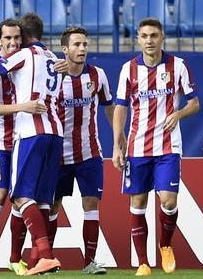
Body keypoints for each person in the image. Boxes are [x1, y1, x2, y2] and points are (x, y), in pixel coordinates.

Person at [0, 12, 66, 275]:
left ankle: (34, 257)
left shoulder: (25, 56)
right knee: (21, 197)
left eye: (17, 37)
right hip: (18, 136)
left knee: (22, 197)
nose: (13, 42)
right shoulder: (53, 59)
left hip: (28, 134)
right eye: (8, 38)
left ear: (23, 37)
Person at [112, 18, 200, 276]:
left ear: (162, 37)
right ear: (138, 39)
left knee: (169, 200)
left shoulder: (179, 66)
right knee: (138, 201)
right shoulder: (128, 69)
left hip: (168, 147)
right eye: (144, 36)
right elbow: (120, 108)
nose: (149, 40)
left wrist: (179, 114)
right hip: (138, 147)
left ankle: (165, 245)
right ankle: (142, 261)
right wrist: (118, 144)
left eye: (153, 35)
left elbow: (195, 103)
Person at [48, 26, 123, 275]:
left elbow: (109, 107)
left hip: (89, 152)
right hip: (57, 154)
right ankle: (47, 260)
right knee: (52, 206)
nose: (82, 49)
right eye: (76, 45)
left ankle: (89, 262)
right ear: (65, 49)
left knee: (91, 203)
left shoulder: (97, 75)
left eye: (84, 44)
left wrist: (118, 137)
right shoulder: (52, 78)